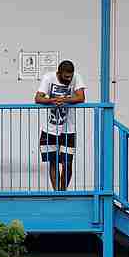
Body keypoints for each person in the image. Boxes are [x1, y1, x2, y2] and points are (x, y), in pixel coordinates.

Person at [36, 60, 86, 191]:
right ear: (59, 73)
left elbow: (81, 97)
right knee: (53, 161)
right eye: (66, 77)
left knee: (67, 162)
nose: (69, 79)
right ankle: (57, 192)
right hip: (49, 128)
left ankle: (63, 191)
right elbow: (38, 98)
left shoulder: (76, 77)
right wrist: (52, 100)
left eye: (70, 77)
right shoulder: (49, 77)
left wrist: (64, 100)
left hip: (69, 128)